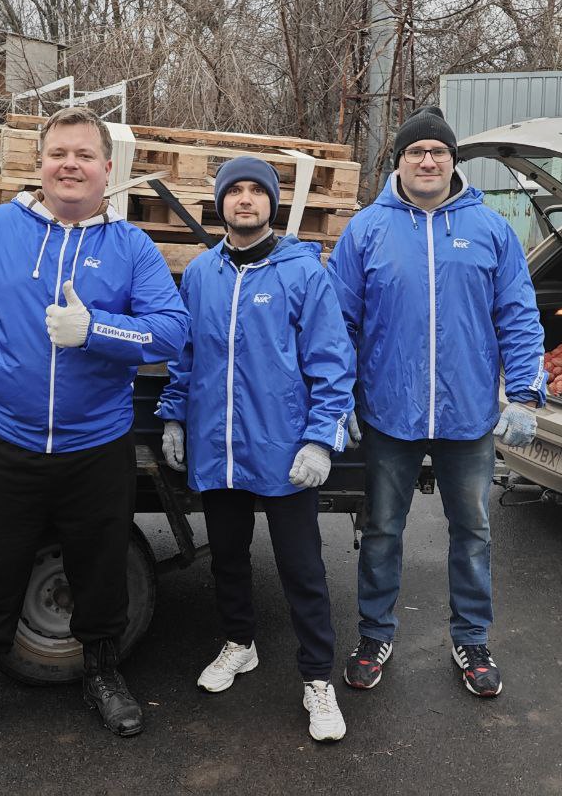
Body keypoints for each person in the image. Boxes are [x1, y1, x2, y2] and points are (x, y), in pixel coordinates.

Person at [0, 106, 188, 755]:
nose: (71, 164)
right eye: (59, 153)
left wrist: (99, 330)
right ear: (41, 163)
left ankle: (102, 672)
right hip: (4, 440)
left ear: (106, 169)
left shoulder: (129, 246)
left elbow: (173, 330)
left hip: (97, 444)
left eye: (84, 155)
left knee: (99, 569)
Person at [327, 105, 545, 699]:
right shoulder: (367, 229)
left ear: (453, 161)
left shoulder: (491, 229)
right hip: (388, 413)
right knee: (381, 531)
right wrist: (338, 397)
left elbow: (518, 315)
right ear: (398, 161)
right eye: (416, 151)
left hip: (468, 413)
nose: (428, 161)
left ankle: (471, 638)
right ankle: (375, 633)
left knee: (472, 530)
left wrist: (524, 391)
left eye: (439, 152)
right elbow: (338, 322)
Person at [157, 156, 355, 742]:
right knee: (228, 559)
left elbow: (331, 364)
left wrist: (322, 438)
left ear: (271, 203)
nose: (245, 200)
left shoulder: (303, 272)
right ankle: (239, 644)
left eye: (256, 192)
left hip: (285, 450)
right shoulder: (200, 275)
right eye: (234, 192)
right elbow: (186, 360)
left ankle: (318, 679)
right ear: (220, 205)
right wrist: (174, 418)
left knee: (302, 568)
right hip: (220, 451)